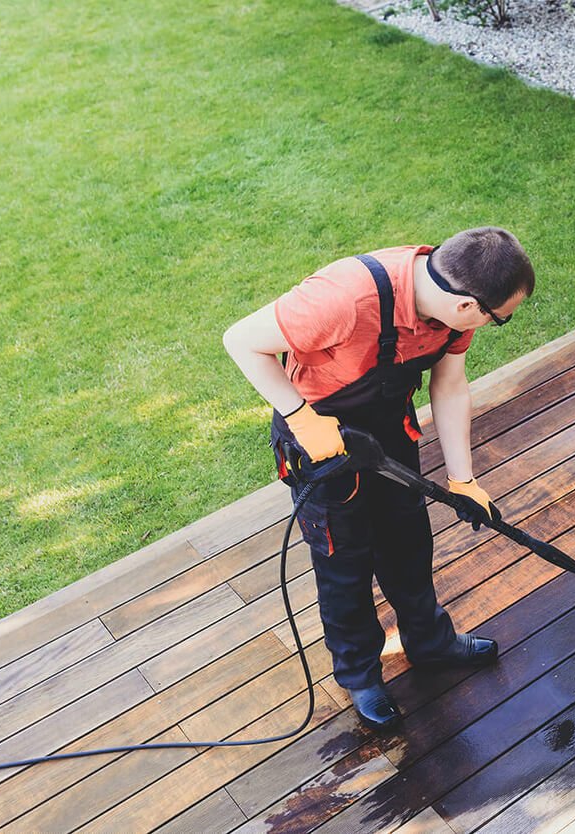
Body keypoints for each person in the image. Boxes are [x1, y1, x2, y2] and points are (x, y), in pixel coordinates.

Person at [222, 226, 533, 731]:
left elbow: (449, 385)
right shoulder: (344, 298)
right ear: (468, 306)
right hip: (321, 441)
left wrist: (462, 479)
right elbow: (240, 340)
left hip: (388, 428)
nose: (498, 324)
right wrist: (302, 418)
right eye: (500, 319)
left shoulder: (453, 315)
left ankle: (429, 643)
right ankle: (361, 675)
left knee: (408, 540)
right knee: (344, 563)